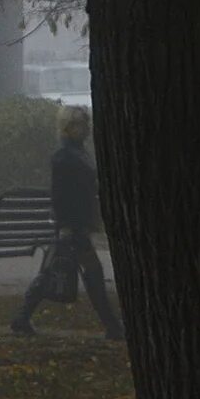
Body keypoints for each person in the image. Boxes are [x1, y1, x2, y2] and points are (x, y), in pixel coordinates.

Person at [15, 106, 124, 339]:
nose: (86, 129)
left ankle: (22, 317)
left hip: (75, 224)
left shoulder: (76, 154)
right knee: (90, 272)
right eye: (81, 124)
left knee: (55, 270)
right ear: (70, 127)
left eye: (86, 124)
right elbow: (61, 196)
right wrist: (66, 224)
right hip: (73, 225)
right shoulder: (66, 157)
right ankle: (113, 326)